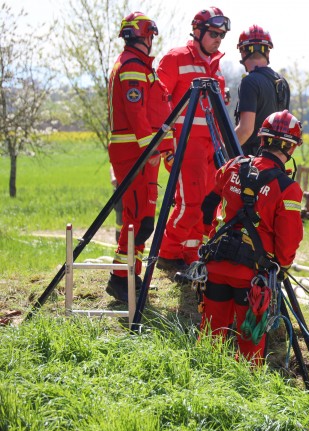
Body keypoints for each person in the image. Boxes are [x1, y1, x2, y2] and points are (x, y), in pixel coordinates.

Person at [200, 110, 304, 365]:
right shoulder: (287, 188)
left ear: (263, 139)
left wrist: (209, 235)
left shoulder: (234, 165)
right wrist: (282, 265)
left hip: (216, 265)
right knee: (250, 343)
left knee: (211, 338)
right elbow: (289, 238)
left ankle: (203, 384)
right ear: (291, 147)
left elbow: (208, 203)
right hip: (253, 277)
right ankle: (245, 392)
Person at [156, 7, 231, 273]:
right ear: (197, 31)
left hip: (212, 148)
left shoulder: (217, 69)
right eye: (213, 33)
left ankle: (191, 254)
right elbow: (157, 103)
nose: (218, 39)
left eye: (221, 35)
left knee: (207, 205)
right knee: (190, 203)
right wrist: (166, 148)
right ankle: (167, 251)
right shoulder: (175, 58)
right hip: (185, 145)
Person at [105, 11, 173, 302]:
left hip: (143, 155)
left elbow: (155, 112)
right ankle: (120, 279)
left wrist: (163, 151)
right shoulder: (132, 66)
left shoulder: (140, 66)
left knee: (142, 219)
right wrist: (153, 151)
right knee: (138, 221)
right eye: (150, 36)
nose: (151, 42)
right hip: (136, 155)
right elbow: (137, 116)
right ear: (145, 36)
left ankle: (131, 275)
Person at [234, 25, 290, 156]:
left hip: (251, 164)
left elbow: (245, 130)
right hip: (275, 162)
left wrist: (223, 151)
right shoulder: (282, 82)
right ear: (268, 52)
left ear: (243, 52)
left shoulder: (249, 82)